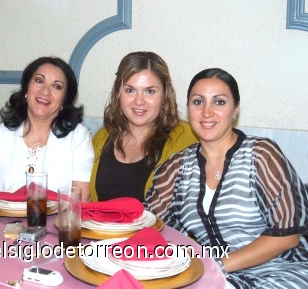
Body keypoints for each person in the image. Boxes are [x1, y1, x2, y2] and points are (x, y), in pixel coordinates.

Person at [146, 68, 308, 288]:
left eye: (219, 102)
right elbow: (150, 225)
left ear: (235, 110)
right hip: (218, 279)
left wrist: (215, 265)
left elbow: (288, 236)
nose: (207, 112)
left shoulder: (261, 154)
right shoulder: (175, 169)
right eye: (198, 102)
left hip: (282, 272)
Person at [0, 57, 94, 201]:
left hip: (55, 222)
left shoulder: (78, 137)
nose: (45, 91)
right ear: (26, 88)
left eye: (57, 86)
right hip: (0, 222)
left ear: (64, 99)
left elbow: (80, 198)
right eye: (39, 81)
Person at [89, 51, 198, 202]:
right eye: (130, 90)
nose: (139, 101)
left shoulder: (186, 138)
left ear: (165, 95)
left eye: (150, 91)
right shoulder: (102, 137)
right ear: (118, 94)